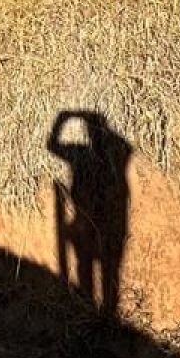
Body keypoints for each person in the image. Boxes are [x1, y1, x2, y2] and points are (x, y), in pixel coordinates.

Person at [47, 110, 134, 314]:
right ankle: (103, 316)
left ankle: (95, 315)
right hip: (104, 220)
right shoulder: (115, 154)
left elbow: (52, 145)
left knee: (92, 267)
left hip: (93, 220)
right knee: (105, 269)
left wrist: (63, 118)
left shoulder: (82, 154)